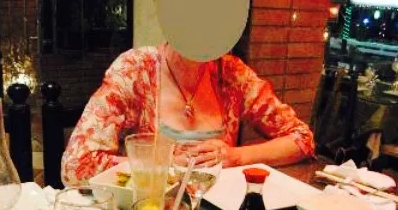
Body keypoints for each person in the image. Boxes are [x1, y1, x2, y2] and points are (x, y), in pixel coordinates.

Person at [61, 43, 315, 186]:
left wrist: (236, 156)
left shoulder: (233, 74)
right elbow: (76, 166)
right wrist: (168, 166)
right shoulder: (136, 69)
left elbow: (301, 139)